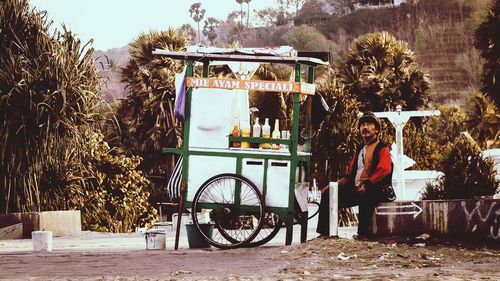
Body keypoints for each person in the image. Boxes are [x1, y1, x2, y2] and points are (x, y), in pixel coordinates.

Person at [316, 111, 393, 239]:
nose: (365, 127)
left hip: (376, 189)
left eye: (369, 124)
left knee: (366, 195)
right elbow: (350, 175)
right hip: (357, 188)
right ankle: (325, 233)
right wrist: (334, 186)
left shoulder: (382, 148)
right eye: (362, 125)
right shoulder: (360, 149)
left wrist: (367, 183)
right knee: (327, 194)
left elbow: (384, 169)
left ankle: (362, 234)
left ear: (376, 130)